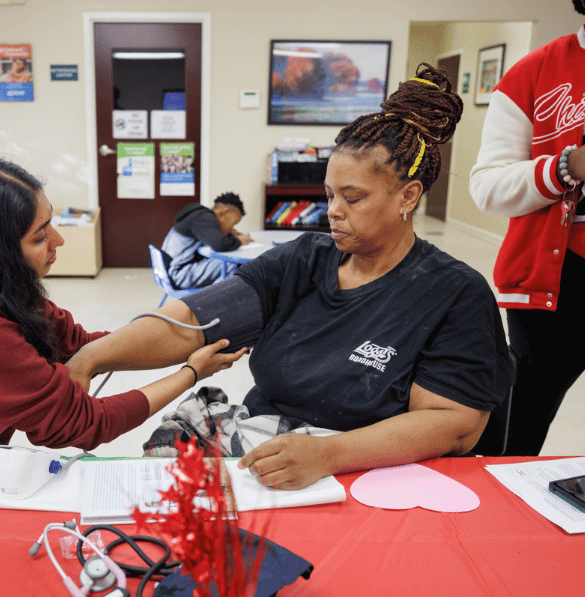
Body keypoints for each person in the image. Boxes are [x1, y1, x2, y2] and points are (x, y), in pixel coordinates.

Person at [67, 64, 511, 490]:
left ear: (408, 196)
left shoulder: (454, 294)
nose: (332, 211)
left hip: (366, 472)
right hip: (272, 451)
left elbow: (452, 426)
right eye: (329, 194)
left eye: (353, 198)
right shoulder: (303, 261)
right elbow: (190, 323)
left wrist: (329, 455)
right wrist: (91, 357)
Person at [0, 156, 245, 455]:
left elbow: (84, 344)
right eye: (38, 236)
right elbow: (85, 424)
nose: (59, 242)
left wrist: (193, 339)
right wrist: (191, 372)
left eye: (51, 224)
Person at [469, 0, 585, 456]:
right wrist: (567, 166)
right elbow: (487, 187)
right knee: (518, 430)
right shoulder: (535, 72)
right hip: (555, 280)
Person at [161, 192, 253, 289]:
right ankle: (218, 300)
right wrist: (239, 240)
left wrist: (230, 234)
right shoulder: (204, 218)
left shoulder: (199, 216)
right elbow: (220, 244)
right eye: (234, 223)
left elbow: (215, 239)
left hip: (172, 271)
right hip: (178, 275)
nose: (232, 228)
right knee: (232, 264)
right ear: (226, 212)